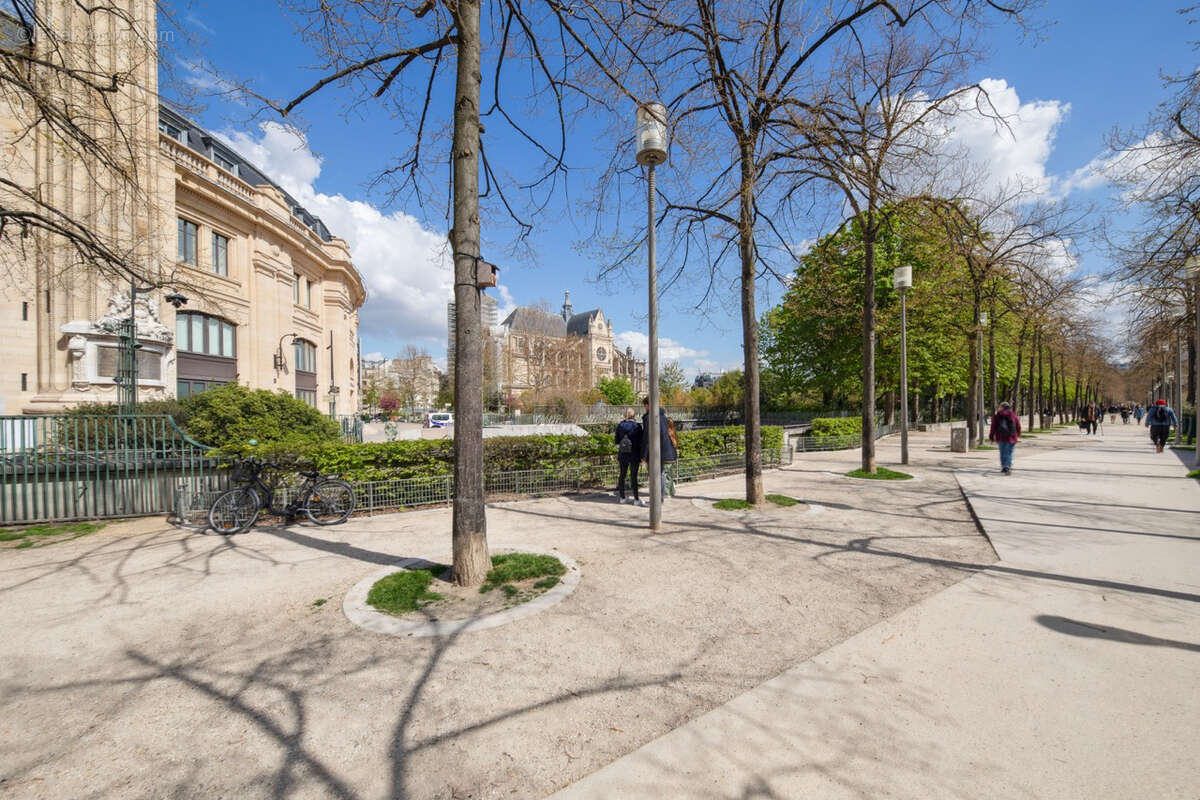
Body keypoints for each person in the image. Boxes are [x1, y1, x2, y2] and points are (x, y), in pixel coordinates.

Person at [641, 397, 678, 503]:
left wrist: (644, 455)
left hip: (654, 451)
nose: (644, 408)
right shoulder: (663, 417)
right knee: (661, 474)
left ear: (648, 405)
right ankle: (659, 498)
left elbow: (647, 438)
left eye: (645, 406)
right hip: (664, 450)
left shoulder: (649, 417)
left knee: (653, 475)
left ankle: (655, 501)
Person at [614, 408, 644, 505]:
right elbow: (641, 441)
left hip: (623, 453)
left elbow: (617, 441)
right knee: (633, 476)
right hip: (634, 454)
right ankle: (636, 499)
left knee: (622, 475)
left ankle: (622, 497)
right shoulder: (637, 426)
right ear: (634, 415)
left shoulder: (620, 426)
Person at [988, 401, 1021, 474]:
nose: (998, 408)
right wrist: (1017, 435)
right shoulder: (1013, 415)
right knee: (1009, 452)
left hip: (1000, 437)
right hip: (1011, 437)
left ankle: (1004, 466)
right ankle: (1007, 466)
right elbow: (1018, 426)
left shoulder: (997, 416)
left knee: (1002, 452)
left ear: (1002, 407)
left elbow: (993, 427)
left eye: (1000, 406)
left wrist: (991, 437)